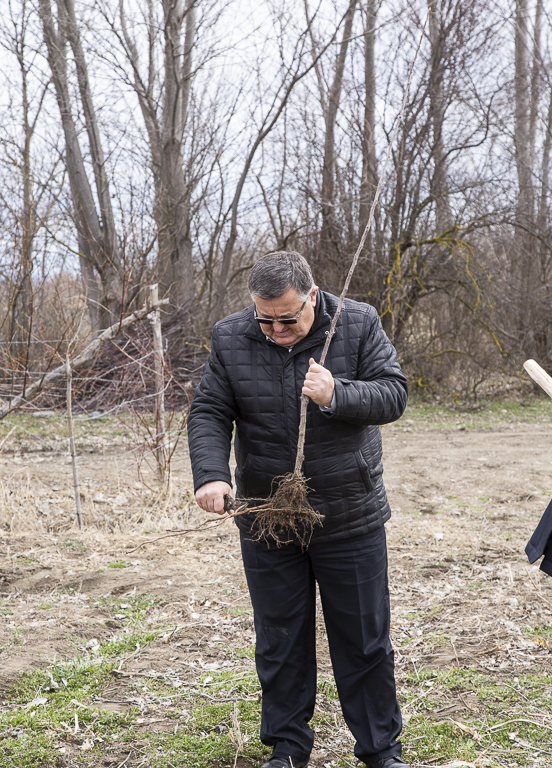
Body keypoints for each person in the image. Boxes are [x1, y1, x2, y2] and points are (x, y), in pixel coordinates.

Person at [187, 251, 409, 768]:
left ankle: (380, 750)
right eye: (265, 319)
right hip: (267, 516)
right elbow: (210, 410)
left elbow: (394, 394)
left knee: (364, 641)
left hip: (348, 513)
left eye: (287, 318)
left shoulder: (358, 322)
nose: (276, 330)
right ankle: (287, 747)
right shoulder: (230, 336)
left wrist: (337, 394)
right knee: (280, 639)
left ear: (312, 295)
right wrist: (212, 473)